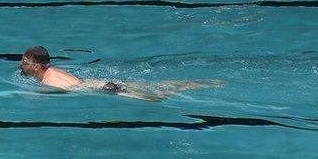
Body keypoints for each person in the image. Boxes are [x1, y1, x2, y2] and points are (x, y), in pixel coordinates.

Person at [18, 46, 221, 101]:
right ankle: (195, 83)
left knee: (156, 97)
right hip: (98, 83)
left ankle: (197, 84)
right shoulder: (53, 71)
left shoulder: (49, 81)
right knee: (158, 89)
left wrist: (34, 95)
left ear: (37, 66)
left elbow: (69, 90)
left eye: (25, 61)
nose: (21, 63)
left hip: (101, 89)